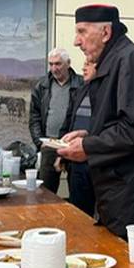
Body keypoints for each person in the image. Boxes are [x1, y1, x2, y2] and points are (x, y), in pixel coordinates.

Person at [59, 4, 134, 239]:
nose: (76, 41)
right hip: (122, 191)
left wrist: (89, 146)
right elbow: (121, 121)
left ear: (106, 33)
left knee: (128, 260)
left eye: (82, 31)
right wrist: (89, 136)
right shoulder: (115, 60)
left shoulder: (131, 60)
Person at [29, 48, 83, 194]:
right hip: (49, 145)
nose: (54, 68)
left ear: (68, 63)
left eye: (58, 64)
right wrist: (39, 142)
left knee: (79, 192)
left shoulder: (82, 84)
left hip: (73, 145)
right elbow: (34, 117)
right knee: (45, 193)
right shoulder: (42, 86)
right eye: (51, 64)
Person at [58, 59, 97, 217]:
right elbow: (69, 122)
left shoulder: (109, 94)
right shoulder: (81, 90)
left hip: (96, 160)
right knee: (79, 212)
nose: (83, 68)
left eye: (88, 64)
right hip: (76, 163)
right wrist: (61, 152)